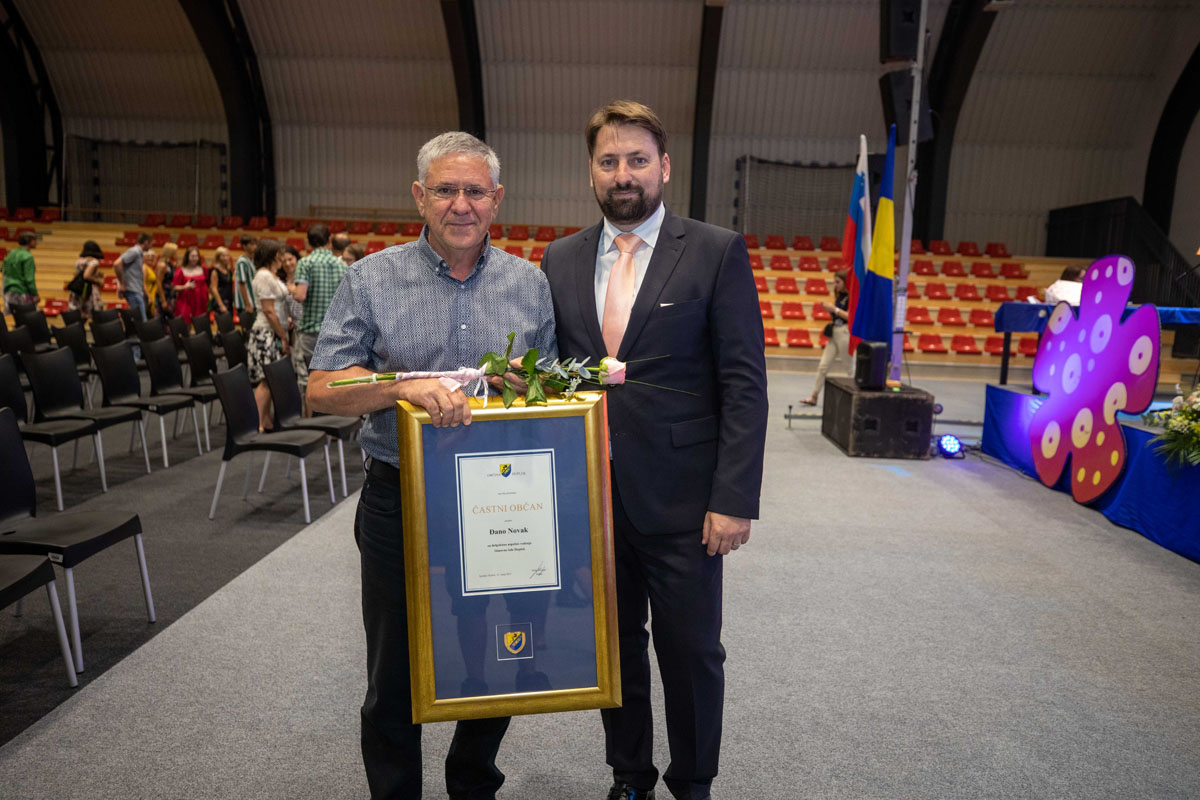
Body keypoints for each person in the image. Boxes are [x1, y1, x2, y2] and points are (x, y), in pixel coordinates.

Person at [307, 131, 556, 800]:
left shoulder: (530, 285)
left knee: (500, 658)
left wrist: (524, 388)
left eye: (475, 190)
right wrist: (398, 387)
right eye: (445, 189)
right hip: (400, 498)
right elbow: (320, 389)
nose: (460, 204)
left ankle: (472, 778)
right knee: (394, 673)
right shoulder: (372, 277)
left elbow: (556, 396)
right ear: (420, 196)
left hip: (499, 504)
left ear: (497, 199)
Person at [540, 100, 768, 800]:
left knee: (693, 654)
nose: (623, 174)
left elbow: (744, 384)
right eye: (609, 161)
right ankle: (630, 776)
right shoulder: (560, 258)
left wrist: (732, 500)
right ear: (592, 173)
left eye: (637, 159)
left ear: (664, 167)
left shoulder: (714, 250)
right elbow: (551, 375)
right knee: (615, 653)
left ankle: (693, 782)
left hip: (684, 501)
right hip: (593, 500)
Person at [247, 238, 291, 429]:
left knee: (270, 380)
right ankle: (257, 423)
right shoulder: (264, 276)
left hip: (272, 332)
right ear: (274, 255)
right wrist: (282, 334)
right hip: (265, 333)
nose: (282, 258)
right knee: (265, 380)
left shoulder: (270, 275)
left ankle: (265, 419)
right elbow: (269, 311)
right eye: (280, 254)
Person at [294, 223, 347, 370]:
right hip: (334, 330)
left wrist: (292, 289)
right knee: (329, 373)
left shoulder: (305, 263)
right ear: (329, 241)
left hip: (311, 329)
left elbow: (300, 296)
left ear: (309, 242)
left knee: (307, 375)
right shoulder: (341, 265)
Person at [801, 270, 851, 406]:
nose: (835, 285)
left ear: (845, 282)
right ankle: (814, 396)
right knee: (823, 365)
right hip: (835, 332)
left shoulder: (852, 296)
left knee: (850, 367)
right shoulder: (839, 296)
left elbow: (851, 317)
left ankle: (855, 397)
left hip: (845, 332)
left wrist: (834, 309)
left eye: (838, 282)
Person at [279, 243, 308, 407]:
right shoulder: (281, 280)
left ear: (296, 258)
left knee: (303, 368)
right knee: (295, 368)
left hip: (305, 328)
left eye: (290, 259)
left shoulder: (303, 276)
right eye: (284, 261)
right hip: (290, 328)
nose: (288, 263)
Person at [114, 232, 152, 321]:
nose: (151, 247)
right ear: (146, 242)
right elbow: (117, 264)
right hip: (134, 291)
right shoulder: (135, 251)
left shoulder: (137, 252)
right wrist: (122, 283)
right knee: (141, 321)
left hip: (135, 290)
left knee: (140, 320)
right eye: (150, 244)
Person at [67, 240, 106, 320]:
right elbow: (86, 275)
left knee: (80, 315)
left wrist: (96, 274)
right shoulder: (94, 262)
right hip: (89, 291)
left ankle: (76, 330)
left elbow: (81, 273)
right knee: (96, 314)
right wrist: (98, 281)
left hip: (79, 290)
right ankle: (99, 331)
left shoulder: (79, 261)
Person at [2, 231, 39, 313]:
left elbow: (3, 270)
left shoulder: (11, 253)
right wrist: (35, 294)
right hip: (21, 291)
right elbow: (29, 279)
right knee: (28, 317)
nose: (37, 243)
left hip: (8, 290)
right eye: (35, 240)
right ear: (30, 241)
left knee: (11, 317)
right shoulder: (27, 256)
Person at [172, 245, 209, 326]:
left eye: (196, 256)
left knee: (200, 325)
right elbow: (174, 287)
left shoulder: (203, 268)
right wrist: (185, 286)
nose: (195, 258)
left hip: (200, 302)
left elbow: (207, 283)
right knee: (185, 324)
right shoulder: (180, 271)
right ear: (187, 257)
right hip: (186, 301)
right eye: (192, 256)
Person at [233, 234, 258, 327]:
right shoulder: (242, 262)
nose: (255, 246)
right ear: (244, 246)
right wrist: (247, 304)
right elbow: (242, 284)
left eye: (255, 244)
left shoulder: (251, 260)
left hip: (253, 302)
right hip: (246, 305)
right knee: (248, 332)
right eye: (252, 244)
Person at [155, 242, 180, 318]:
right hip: (164, 296)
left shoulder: (171, 265)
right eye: (176, 252)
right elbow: (159, 283)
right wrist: (163, 301)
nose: (177, 254)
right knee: (162, 320)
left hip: (171, 295)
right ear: (170, 253)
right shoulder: (163, 265)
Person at [209, 246, 235, 316]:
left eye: (227, 255)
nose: (225, 258)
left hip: (229, 301)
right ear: (218, 257)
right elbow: (213, 289)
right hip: (221, 302)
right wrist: (221, 305)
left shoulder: (229, 271)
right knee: (223, 324)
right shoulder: (215, 271)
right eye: (223, 256)